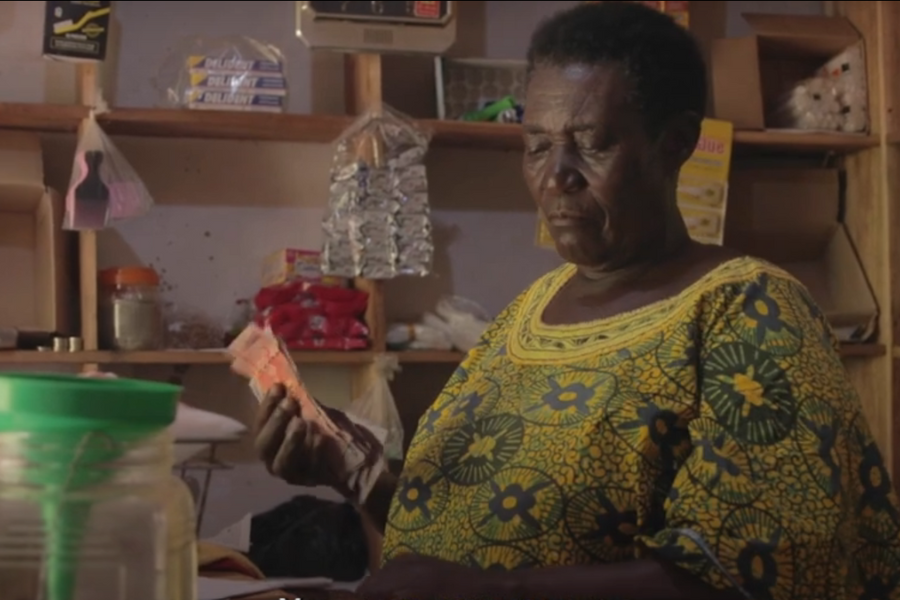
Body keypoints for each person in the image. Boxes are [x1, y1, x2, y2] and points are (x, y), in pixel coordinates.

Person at [254, 3, 900, 599]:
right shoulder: (526, 314)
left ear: (676, 143)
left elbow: (759, 569)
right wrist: (354, 472)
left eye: (591, 143)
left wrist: (492, 595)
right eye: (536, 144)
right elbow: (468, 535)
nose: (555, 175)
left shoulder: (750, 311)